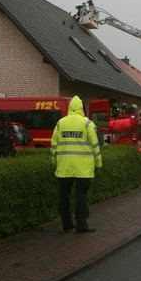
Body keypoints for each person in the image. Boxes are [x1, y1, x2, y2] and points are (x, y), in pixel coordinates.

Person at [50, 95, 102, 234]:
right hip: (83, 168)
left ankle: (67, 225)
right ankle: (81, 225)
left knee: (64, 196)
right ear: (81, 108)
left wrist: (54, 161)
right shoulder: (87, 124)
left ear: (70, 108)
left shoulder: (60, 123)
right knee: (81, 196)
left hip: (64, 167)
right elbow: (95, 146)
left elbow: (54, 144)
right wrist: (98, 163)